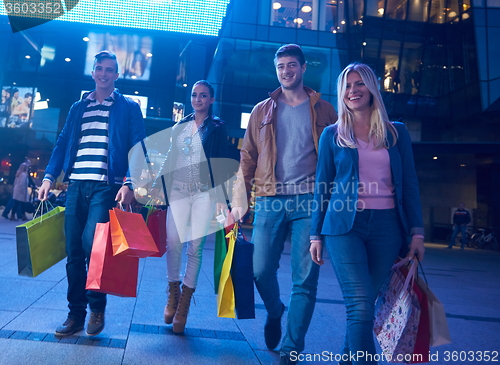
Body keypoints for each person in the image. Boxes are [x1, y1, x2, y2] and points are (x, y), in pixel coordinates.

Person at [309, 62, 425, 365]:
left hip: (388, 229)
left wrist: (417, 232)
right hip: (345, 227)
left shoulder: (396, 133)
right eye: (347, 86)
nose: (353, 91)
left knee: (363, 307)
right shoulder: (332, 135)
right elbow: (322, 187)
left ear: (372, 88)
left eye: (359, 84)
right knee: (360, 306)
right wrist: (315, 234)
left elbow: (409, 185)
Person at [231, 44, 337, 365]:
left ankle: (292, 348)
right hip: (270, 198)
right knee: (260, 270)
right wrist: (239, 201)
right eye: (281, 66)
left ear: (303, 68)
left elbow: (338, 159)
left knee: (305, 279)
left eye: (292, 65)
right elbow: (247, 157)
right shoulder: (262, 110)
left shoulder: (325, 111)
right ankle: (275, 312)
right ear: (276, 70)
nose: (286, 71)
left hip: (311, 201)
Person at [38, 51, 146, 337]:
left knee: (92, 245)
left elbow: (138, 146)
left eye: (110, 70)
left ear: (116, 75)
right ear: (93, 71)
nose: (104, 73)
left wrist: (129, 182)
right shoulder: (78, 107)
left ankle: (97, 306)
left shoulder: (128, 107)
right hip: (76, 185)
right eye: (100, 68)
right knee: (73, 251)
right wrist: (49, 177)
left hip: (105, 186)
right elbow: (62, 144)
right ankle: (75, 314)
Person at [153, 80, 228, 334]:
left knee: (195, 248)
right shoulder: (180, 126)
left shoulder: (217, 127)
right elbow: (169, 159)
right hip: (178, 191)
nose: (198, 99)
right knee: (173, 242)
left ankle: (184, 302)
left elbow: (221, 161)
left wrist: (221, 196)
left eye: (203, 95)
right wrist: (156, 186)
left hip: (204, 194)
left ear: (211, 100)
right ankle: (173, 292)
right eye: (194, 95)